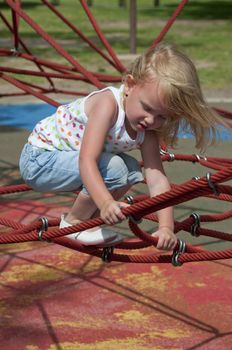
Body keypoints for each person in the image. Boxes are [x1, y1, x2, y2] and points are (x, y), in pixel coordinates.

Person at [19, 43, 221, 249]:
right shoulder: (107, 105)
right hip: (40, 160)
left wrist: (166, 226)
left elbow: (157, 179)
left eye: (162, 116)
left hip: (66, 164)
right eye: (147, 108)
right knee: (115, 168)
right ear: (130, 84)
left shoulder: (147, 131)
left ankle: (91, 223)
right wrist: (106, 202)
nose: (151, 120)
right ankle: (73, 222)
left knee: (133, 170)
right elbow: (87, 160)